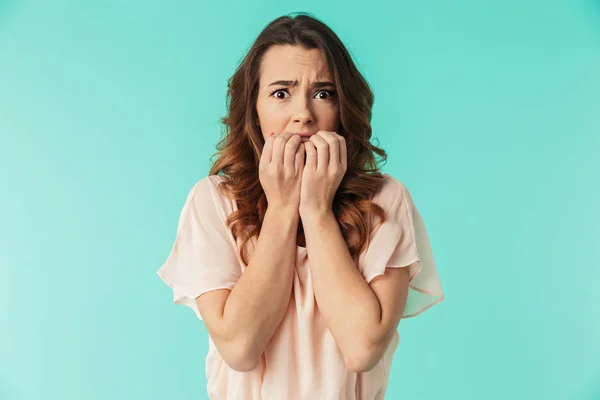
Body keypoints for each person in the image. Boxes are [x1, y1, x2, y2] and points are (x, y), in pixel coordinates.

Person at [157, 12, 444, 400]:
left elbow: (363, 349)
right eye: (281, 93)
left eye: (324, 93)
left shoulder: (385, 200)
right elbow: (240, 347)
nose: (304, 114)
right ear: (254, 111)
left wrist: (317, 209)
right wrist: (282, 206)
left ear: (343, 109)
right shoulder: (212, 201)